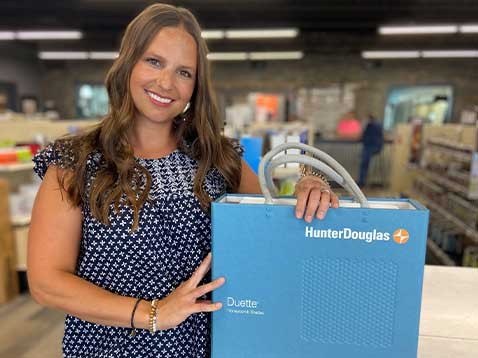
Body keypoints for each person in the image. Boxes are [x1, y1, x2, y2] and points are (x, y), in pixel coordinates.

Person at [27, 4, 338, 358]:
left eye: (184, 72)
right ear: (128, 62)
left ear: (196, 86)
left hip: (208, 348)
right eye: (154, 62)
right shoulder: (76, 161)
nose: (166, 83)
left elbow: (276, 228)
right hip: (107, 349)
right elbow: (46, 282)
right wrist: (153, 314)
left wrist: (310, 183)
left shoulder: (219, 158)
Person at [358, 114, 384, 187]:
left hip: (370, 147)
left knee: (363, 164)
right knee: (364, 163)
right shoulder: (378, 125)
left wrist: (363, 127)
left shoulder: (370, 126)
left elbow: (364, 137)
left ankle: (362, 182)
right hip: (377, 147)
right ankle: (363, 181)